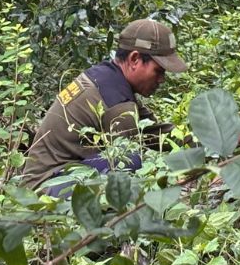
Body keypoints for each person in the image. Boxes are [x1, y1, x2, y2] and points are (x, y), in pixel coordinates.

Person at [21, 19, 188, 192]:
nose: (162, 79)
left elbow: (155, 133)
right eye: (158, 71)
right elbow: (134, 165)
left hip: (48, 178)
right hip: (46, 187)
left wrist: (205, 142)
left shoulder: (106, 80)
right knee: (130, 160)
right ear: (134, 59)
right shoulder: (116, 103)